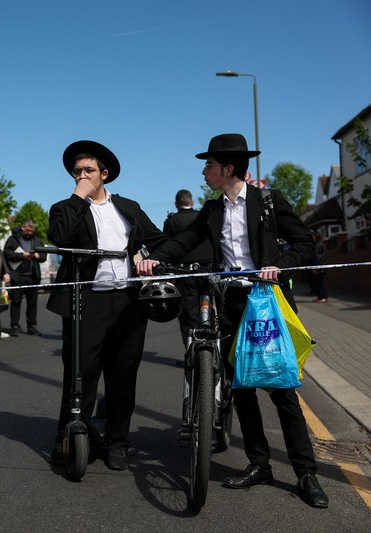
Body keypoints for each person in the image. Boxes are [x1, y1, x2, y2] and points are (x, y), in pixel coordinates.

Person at [136, 133, 328, 508]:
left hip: (266, 302)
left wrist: (280, 267)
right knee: (241, 389)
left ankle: (306, 474)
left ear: (227, 169)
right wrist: (156, 258)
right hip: (229, 302)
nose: (203, 172)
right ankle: (259, 465)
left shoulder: (268, 201)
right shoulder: (212, 210)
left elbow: (304, 242)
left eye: (208, 165)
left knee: (282, 391)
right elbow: (184, 241)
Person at [46, 140, 166, 470]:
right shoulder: (64, 207)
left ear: (105, 174)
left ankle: (117, 441)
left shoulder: (128, 207)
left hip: (128, 301)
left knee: (123, 373)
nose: (82, 176)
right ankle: (69, 436)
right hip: (87, 301)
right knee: (79, 374)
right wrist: (78, 197)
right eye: (77, 172)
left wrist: (154, 260)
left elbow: (158, 240)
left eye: (88, 170)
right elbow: (61, 237)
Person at [163, 189, 212, 358]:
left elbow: (167, 248)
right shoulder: (202, 217)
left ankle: (193, 355)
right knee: (209, 313)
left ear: (176, 204)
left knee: (188, 316)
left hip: (185, 273)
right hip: (207, 272)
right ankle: (210, 351)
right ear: (192, 202)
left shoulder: (172, 221)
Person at [3, 219, 47, 336]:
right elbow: (7, 254)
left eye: (32, 231)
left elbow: (44, 256)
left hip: (33, 276)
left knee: (32, 303)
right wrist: (22, 255)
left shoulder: (37, 240)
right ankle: (15, 326)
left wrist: (38, 256)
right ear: (23, 228)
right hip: (18, 276)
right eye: (28, 230)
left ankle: (32, 326)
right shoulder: (13, 239)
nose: (30, 233)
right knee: (16, 302)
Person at [309, 232, 328, 303]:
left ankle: (323, 297)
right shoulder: (320, 245)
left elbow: (318, 258)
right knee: (320, 282)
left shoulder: (318, 246)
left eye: (313, 236)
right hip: (321, 267)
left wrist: (316, 268)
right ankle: (320, 296)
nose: (312, 238)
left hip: (320, 268)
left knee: (321, 283)